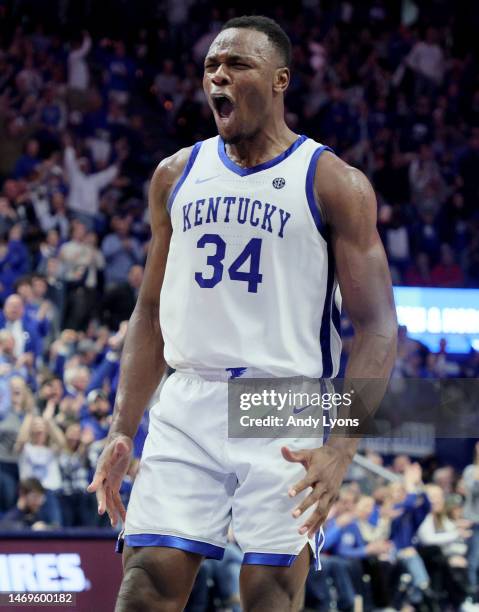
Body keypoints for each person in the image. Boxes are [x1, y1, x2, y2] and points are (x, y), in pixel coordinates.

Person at [88, 15, 397, 611]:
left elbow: (379, 327)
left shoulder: (334, 182)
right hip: (190, 394)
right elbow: (149, 312)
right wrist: (122, 427)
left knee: (270, 595)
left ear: (280, 80)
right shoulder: (175, 175)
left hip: (283, 400)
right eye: (211, 66)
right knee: (145, 584)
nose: (218, 77)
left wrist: (342, 447)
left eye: (237, 65)